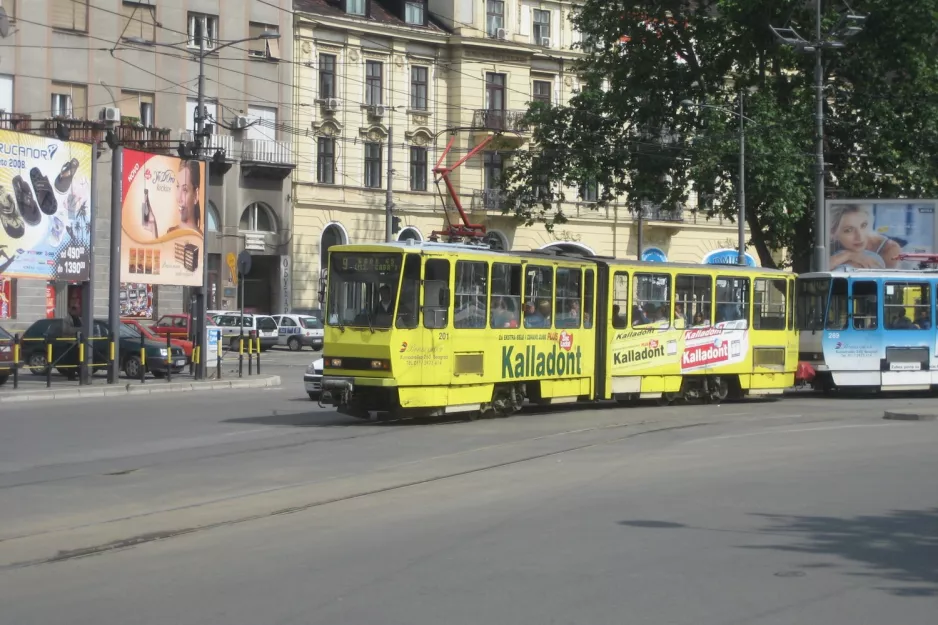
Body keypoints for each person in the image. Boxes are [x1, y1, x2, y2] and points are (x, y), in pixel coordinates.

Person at [829, 204, 901, 269]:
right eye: (849, 230)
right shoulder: (826, 245)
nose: (860, 237)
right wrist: (848, 255)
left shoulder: (889, 249)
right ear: (832, 233)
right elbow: (819, 270)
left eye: (863, 225)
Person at [168, 160, 202, 234]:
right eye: (178, 186)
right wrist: (153, 228)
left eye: (185, 190)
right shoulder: (170, 233)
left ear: (196, 195)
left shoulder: (201, 239)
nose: (179, 198)